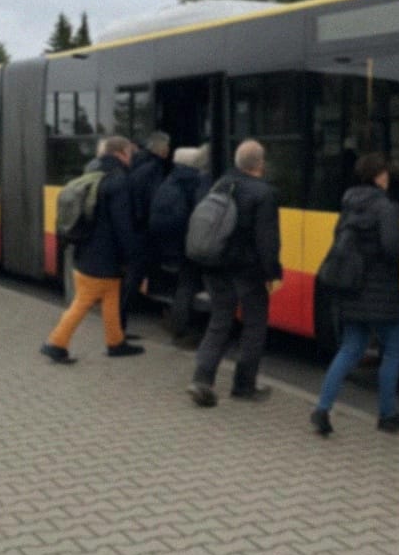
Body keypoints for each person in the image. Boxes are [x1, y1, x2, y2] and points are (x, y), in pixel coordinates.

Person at [309, 153, 399, 437]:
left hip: (352, 290)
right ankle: (387, 414)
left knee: (349, 350)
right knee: (393, 351)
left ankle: (322, 409)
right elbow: (392, 247)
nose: (388, 176)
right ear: (379, 176)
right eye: (385, 172)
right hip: (382, 293)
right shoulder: (387, 207)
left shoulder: (348, 204)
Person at [188, 139, 282, 407]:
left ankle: (202, 379)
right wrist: (272, 272)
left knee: (219, 321)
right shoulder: (264, 193)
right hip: (247, 270)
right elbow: (267, 239)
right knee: (254, 325)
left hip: (214, 264)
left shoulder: (221, 183)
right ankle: (244, 385)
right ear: (260, 164)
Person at [40, 136, 146, 363]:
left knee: (110, 297)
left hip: (85, 251)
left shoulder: (90, 174)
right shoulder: (118, 181)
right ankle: (55, 343)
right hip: (103, 257)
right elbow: (122, 225)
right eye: (130, 154)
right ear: (122, 153)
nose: (131, 159)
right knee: (82, 303)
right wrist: (133, 254)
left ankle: (115, 342)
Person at [149, 145, 208, 346]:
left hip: (166, 243)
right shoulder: (194, 183)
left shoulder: (169, 180)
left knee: (181, 285)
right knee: (187, 285)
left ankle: (178, 324)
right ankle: (182, 331)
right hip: (184, 243)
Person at [119, 131, 171, 337]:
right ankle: (118, 330)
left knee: (131, 280)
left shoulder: (138, 164)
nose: (169, 150)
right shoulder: (154, 168)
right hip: (141, 231)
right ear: (160, 149)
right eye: (167, 146)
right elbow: (153, 200)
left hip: (133, 227)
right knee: (133, 280)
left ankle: (119, 327)